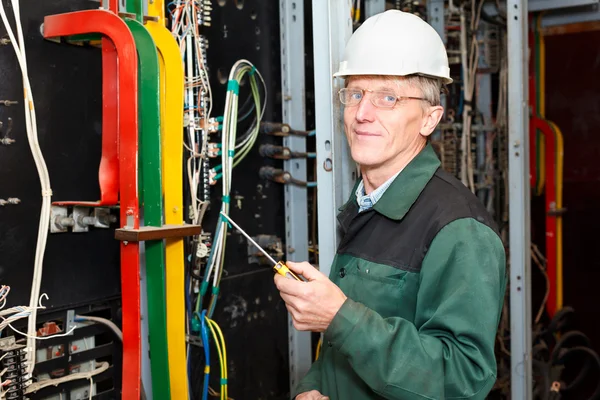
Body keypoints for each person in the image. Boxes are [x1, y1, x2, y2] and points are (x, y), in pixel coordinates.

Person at [273, 9, 507, 400]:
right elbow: (346, 350)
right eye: (355, 94)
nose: (362, 114)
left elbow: (463, 379)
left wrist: (338, 317)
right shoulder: (366, 203)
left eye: (388, 97)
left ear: (429, 119)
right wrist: (313, 387)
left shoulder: (459, 230)